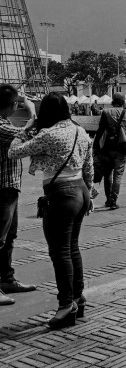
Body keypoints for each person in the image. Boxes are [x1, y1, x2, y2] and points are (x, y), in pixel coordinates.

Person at [9, 92, 94, 329]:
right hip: (80, 191)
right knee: (72, 249)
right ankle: (78, 297)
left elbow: (14, 151)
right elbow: (89, 166)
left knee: (60, 253)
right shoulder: (80, 131)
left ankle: (66, 305)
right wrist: (90, 193)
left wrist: (26, 126)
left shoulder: (49, 134)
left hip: (61, 194)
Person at [0, 85, 37, 305]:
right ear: (12, 105)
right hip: (2, 188)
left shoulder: (4, 122)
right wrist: (32, 110)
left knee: (9, 237)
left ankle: (7, 279)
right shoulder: (1, 127)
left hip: (10, 187)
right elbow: (26, 135)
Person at [93, 93, 126, 210]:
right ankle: (113, 200)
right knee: (118, 175)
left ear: (113, 101)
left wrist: (95, 146)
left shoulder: (106, 112)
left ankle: (108, 199)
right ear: (123, 101)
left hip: (107, 148)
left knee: (107, 174)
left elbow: (100, 131)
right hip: (122, 148)